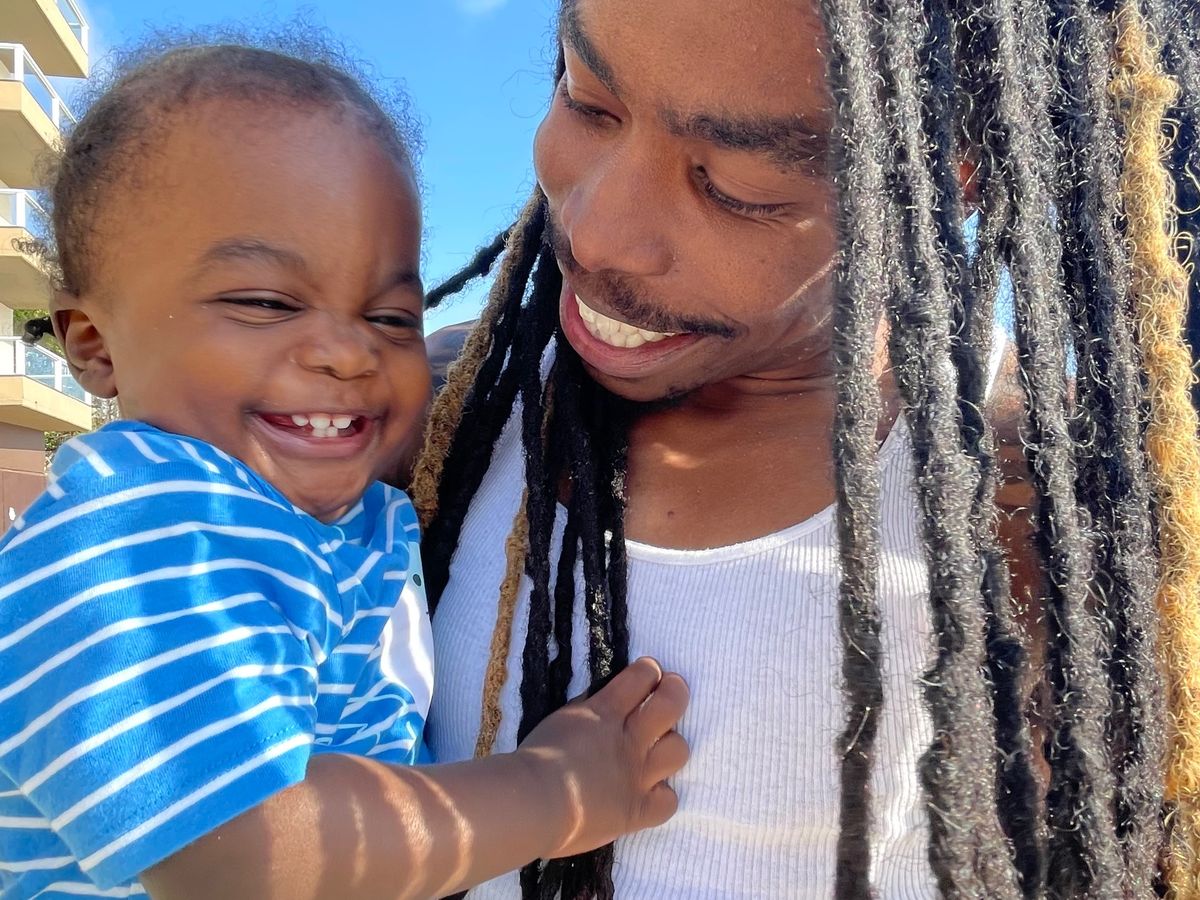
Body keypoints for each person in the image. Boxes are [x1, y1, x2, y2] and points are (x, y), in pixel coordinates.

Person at [413, 0, 1200, 896]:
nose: (595, 235)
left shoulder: (1045, 507)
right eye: (588, 103)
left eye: (735, 188)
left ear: (945, 183)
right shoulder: (438, 403)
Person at [0, 40, 690, 900]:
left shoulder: (330, 513)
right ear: (95, 345)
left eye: (391, 315)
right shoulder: (126, 540)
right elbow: (239, 852)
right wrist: (556, 793)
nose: (348, 352)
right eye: (266, 302)